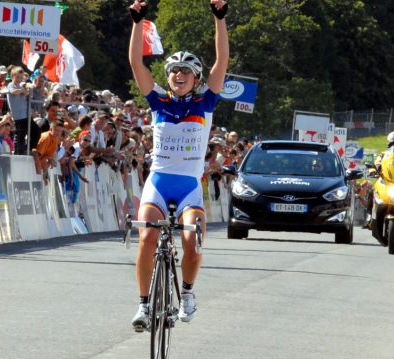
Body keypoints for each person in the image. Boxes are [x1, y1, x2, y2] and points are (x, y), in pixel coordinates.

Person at [128, 0, 229, 332]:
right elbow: (135, 62)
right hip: (158, 181)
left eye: (186, 71)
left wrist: (220, 19)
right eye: (174, 71)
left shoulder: (206, 100)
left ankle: (186, 293)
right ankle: (144, 305)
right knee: (145, 238)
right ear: (168, 77)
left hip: (188, 186)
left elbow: (222, 60)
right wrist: (137, 23)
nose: (179, 75)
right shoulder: (158, 100)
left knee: (192, 240)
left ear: (196, 77)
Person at [363, 131, 394, 228]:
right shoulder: (383, 155)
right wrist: (373, 170)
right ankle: (369, 216)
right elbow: (377, 163)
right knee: (372, 192)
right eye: (393, 144)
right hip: (386, 180)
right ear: (389, 144)